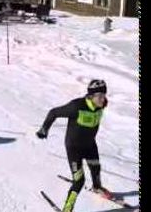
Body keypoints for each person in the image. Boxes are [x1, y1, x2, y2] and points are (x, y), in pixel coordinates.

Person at [36, 79, 111, 212]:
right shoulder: (76, 106)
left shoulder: (102, 104)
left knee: (96, 168)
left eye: (104, 95)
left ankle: (97, 187)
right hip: (74, 148)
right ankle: (68, 208)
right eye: (99, 96)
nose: (102, 99)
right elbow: (54, 112)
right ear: (90, 96)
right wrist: (44, 129)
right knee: (79, 181)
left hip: (90, 144)